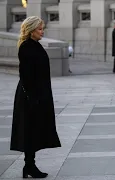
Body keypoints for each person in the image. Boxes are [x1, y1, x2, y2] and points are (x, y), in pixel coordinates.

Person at [10, 16, 61, 178]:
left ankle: (29, 166)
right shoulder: (26, 47)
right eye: (39, 29)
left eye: (42, 28)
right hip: (31, 96)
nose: (42, 31)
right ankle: (29, 166)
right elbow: (26, 76)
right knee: (30, 131)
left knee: (34, 131)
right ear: (31, 30)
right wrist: (33, 99)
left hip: (38, 94)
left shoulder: (34, 45)